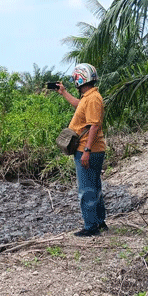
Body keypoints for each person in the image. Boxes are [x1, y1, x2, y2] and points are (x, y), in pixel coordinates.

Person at [56, 63, 107, 237]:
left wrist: (86, 150)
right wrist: (63, 93)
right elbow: (79, 105)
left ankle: (91, 226)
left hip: (88, 148)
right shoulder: (89, 97)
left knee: (86, 189)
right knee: (94, 186)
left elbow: (93, 125)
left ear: (80, 79)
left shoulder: (93, 98)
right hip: (92, 148)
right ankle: (100, 222)